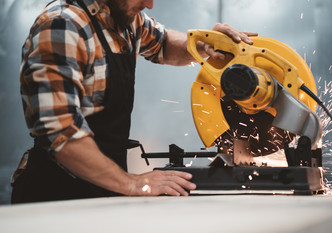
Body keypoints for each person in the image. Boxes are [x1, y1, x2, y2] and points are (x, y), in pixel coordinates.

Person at [11, 0, 257, 203]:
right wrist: (132, 182)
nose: (149, 4)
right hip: (55, 197)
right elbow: (60, 134)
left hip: (103, 189)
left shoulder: (125, 19)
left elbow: (164, 44)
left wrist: (203, 44)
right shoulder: (62, 26)